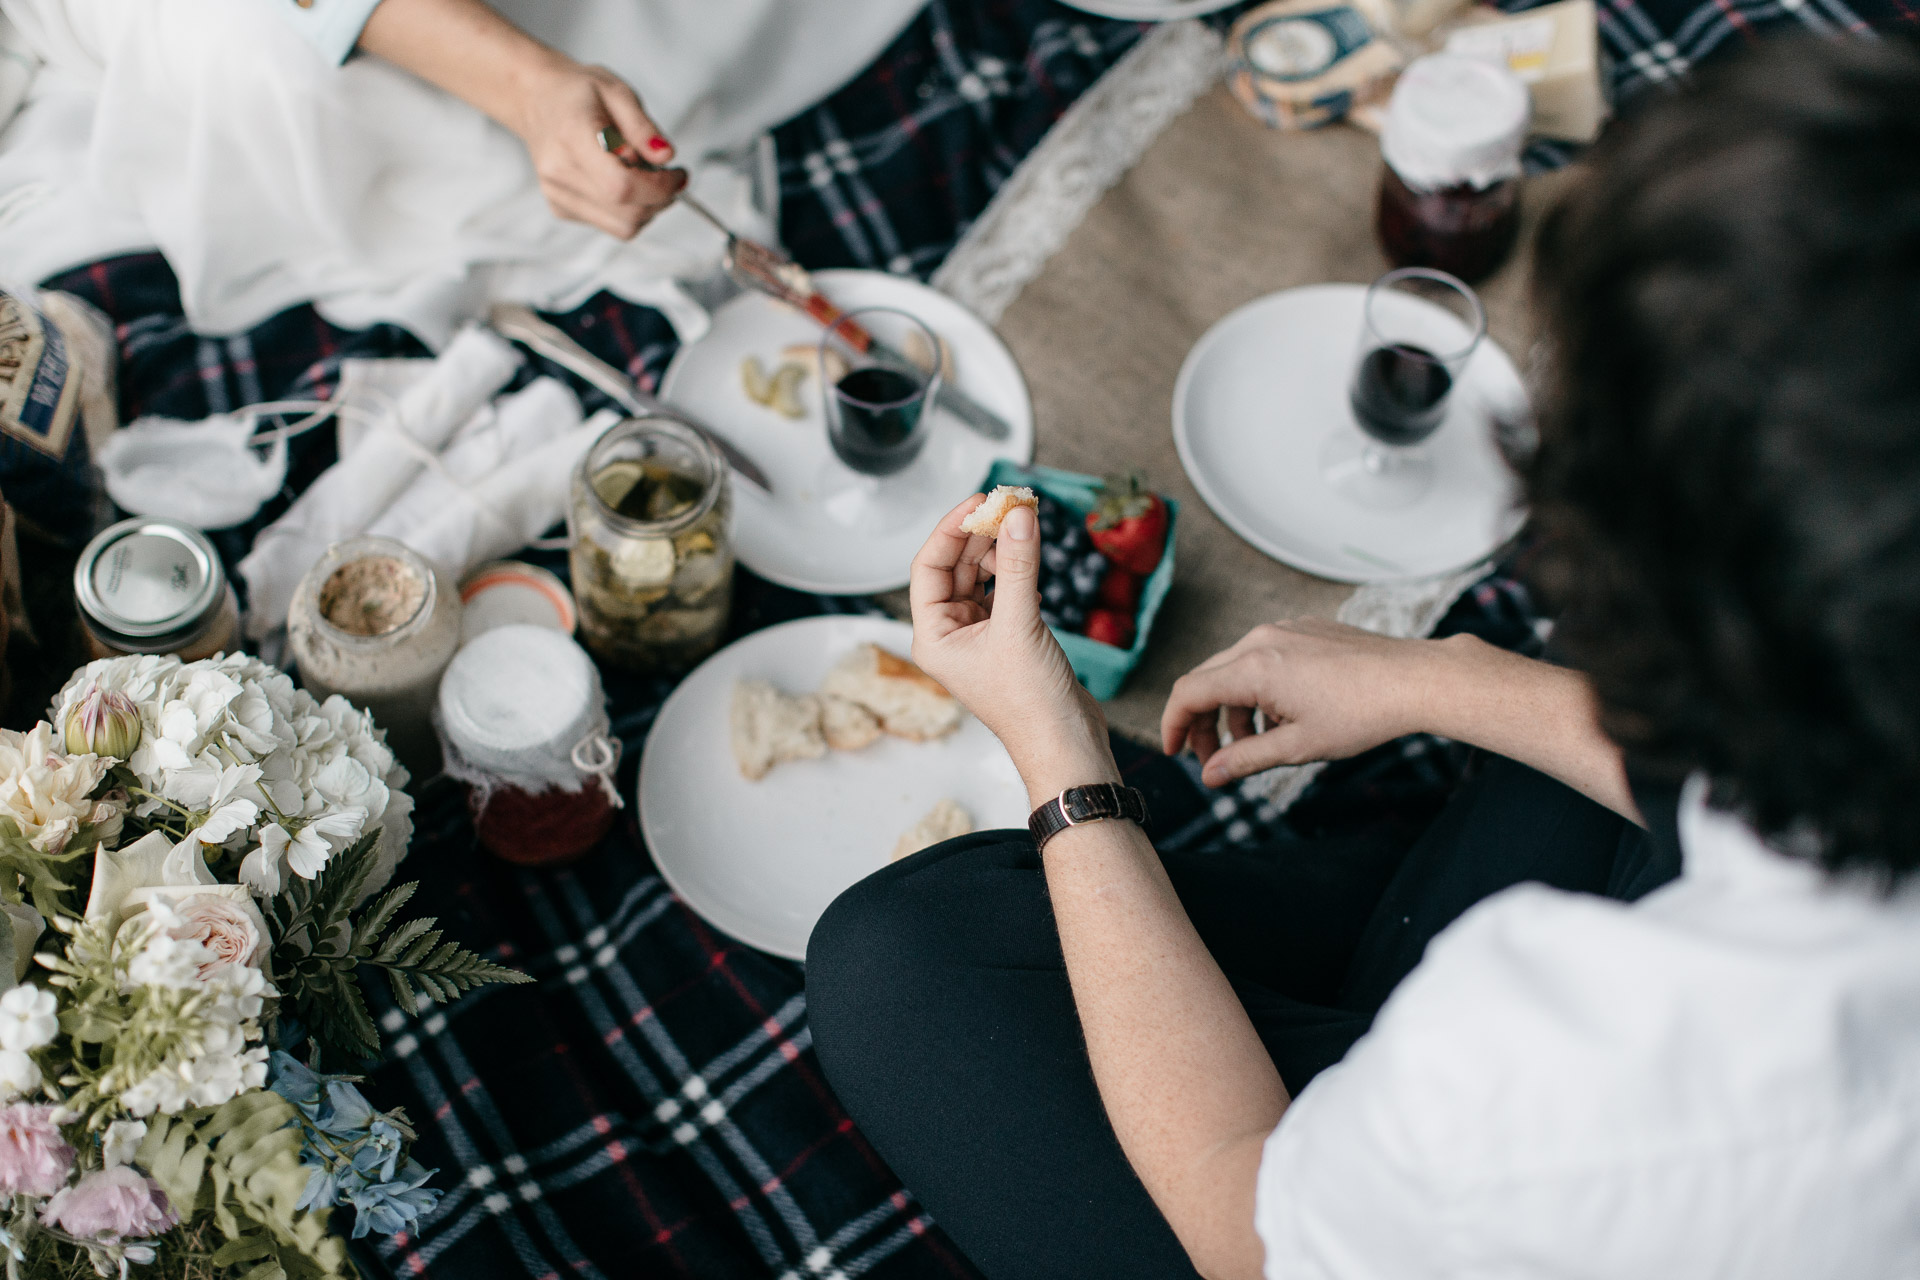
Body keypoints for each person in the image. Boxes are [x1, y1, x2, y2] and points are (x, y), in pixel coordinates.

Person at [805, 35, 1920, 1280]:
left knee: (897, 967)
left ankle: (1338, 1001)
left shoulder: (1601, 1078)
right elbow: (1727, 780)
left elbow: (1246, 1215)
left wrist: (1057, 753)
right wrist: (1431, 675)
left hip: (1387, 1206)